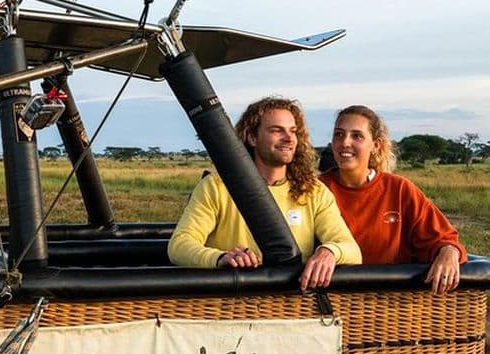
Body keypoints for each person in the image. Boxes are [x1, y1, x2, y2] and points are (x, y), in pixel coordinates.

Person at [168, 97, 361, 290]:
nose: (288, 138)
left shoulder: (313, 191)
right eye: (277, 130)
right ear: (252, 137)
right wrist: (219, 258)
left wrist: (329, 251)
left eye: (293, 131)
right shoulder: (218, 187)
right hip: (232, 302)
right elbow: (180, 245)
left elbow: (351, 250)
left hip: (291, 304)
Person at [319, 105, 467, 295]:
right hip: (330, 299)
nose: (345, 142)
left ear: (376, 145)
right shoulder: (315, 190)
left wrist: (449, 252)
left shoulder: (399, 190)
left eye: (357, 136)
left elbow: (442, 238)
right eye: (339, 134)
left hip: (391, 304)